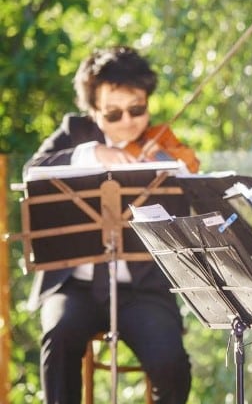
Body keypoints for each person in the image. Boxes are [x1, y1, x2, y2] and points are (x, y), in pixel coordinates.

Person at [23, 46, 195, 404]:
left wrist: (177, 175)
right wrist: (91, 153)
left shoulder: (162, 147)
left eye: (137, 109)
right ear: (93, 111)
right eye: (113, 114)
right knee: (58, 337)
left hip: (143, 288)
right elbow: (31, 171)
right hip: (76, 287)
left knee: (171, 361)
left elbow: (193, 199)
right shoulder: (74, 132)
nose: (128, 122)